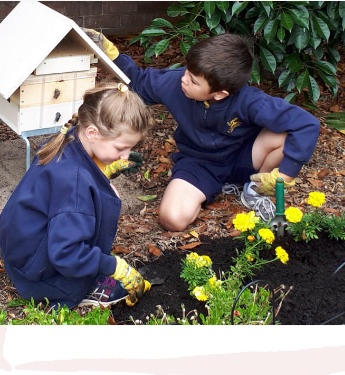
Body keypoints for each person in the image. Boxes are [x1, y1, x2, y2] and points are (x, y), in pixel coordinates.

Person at [85, 30, 320, 232]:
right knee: (172, 219)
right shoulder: (177, 83)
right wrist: (112, 54)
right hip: (199, 164)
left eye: (194, 81)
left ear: (220, 94)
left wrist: (285, 174)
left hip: (246, 157)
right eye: (187, 72)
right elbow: (138, 80)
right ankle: (207, 191)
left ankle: (254, 189)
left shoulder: (250, 101)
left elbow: (306, 124)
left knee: (283, 135)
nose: (185, 80)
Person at [0, 83, 155, 310]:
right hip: (35, 277)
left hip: (19, 253)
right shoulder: (75, 185)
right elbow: (66, 253)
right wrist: (113, 266)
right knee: (87, 271)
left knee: (102, 193)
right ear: (93, 133)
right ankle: (73, 291)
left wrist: (105, 169)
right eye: (121, 148)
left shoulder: (68, 138)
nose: (126, 155)